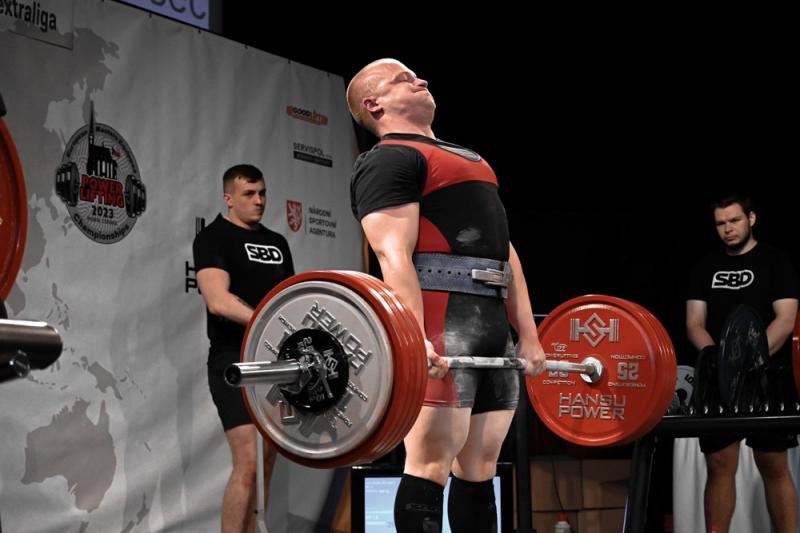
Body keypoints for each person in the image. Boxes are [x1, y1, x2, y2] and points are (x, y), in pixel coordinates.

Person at [346, 58, 546, 532]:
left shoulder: (471, 158)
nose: (420, 80)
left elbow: (505, 253)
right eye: (404, 79)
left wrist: (529, 333)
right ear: (374, 104)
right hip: (441, 322)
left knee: (480, 469)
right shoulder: (389, 159)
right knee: (429, 464)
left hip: (491, 322)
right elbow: (392, 255)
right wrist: (413, 338)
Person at [686, 193, 799, 533]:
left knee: (773, 464)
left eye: (734, 220)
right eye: (720, 223)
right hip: (718, 379)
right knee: (719, 465)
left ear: (751, 219)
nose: (727, 229)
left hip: (767, 376)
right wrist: (722, 362)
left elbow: (786, 318)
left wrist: (751, 359)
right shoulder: (705, 267)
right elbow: (694, 323)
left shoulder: (775, 261)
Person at [193, 164, 295, 532]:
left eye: (262, 193)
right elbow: (217, 301)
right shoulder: (213, 238)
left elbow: (289, 301)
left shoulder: (277, 242)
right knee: (248, 464)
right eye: (249, 194)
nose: (259, 200)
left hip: (275, 362)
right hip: (233, 361)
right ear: (228, 198)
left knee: (266, 465)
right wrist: (265, 321)